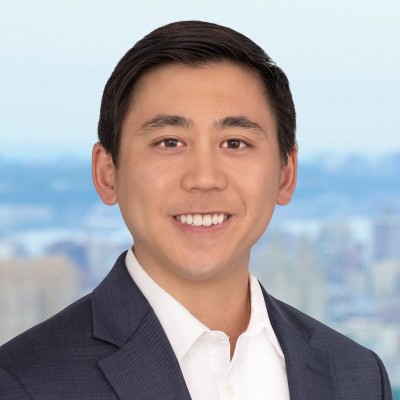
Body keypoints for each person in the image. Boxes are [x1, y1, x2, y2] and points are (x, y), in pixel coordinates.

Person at [0, 20, 392, 400]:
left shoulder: (357, 376)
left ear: (286, 174)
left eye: (235, 143)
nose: (204, 178)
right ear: (107, 173)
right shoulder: (22, 382)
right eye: (169, 142)